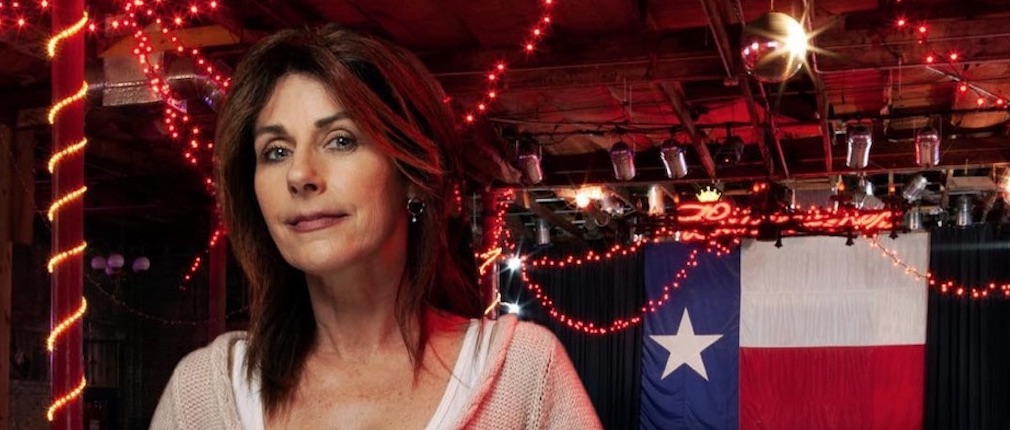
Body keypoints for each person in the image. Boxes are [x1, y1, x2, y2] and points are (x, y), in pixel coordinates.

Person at [151, 26, 602, 429]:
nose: (299, 174)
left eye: (340, 140)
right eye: (276, 151)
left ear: (414, 176)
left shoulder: (521, 374)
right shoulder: (201, 394)